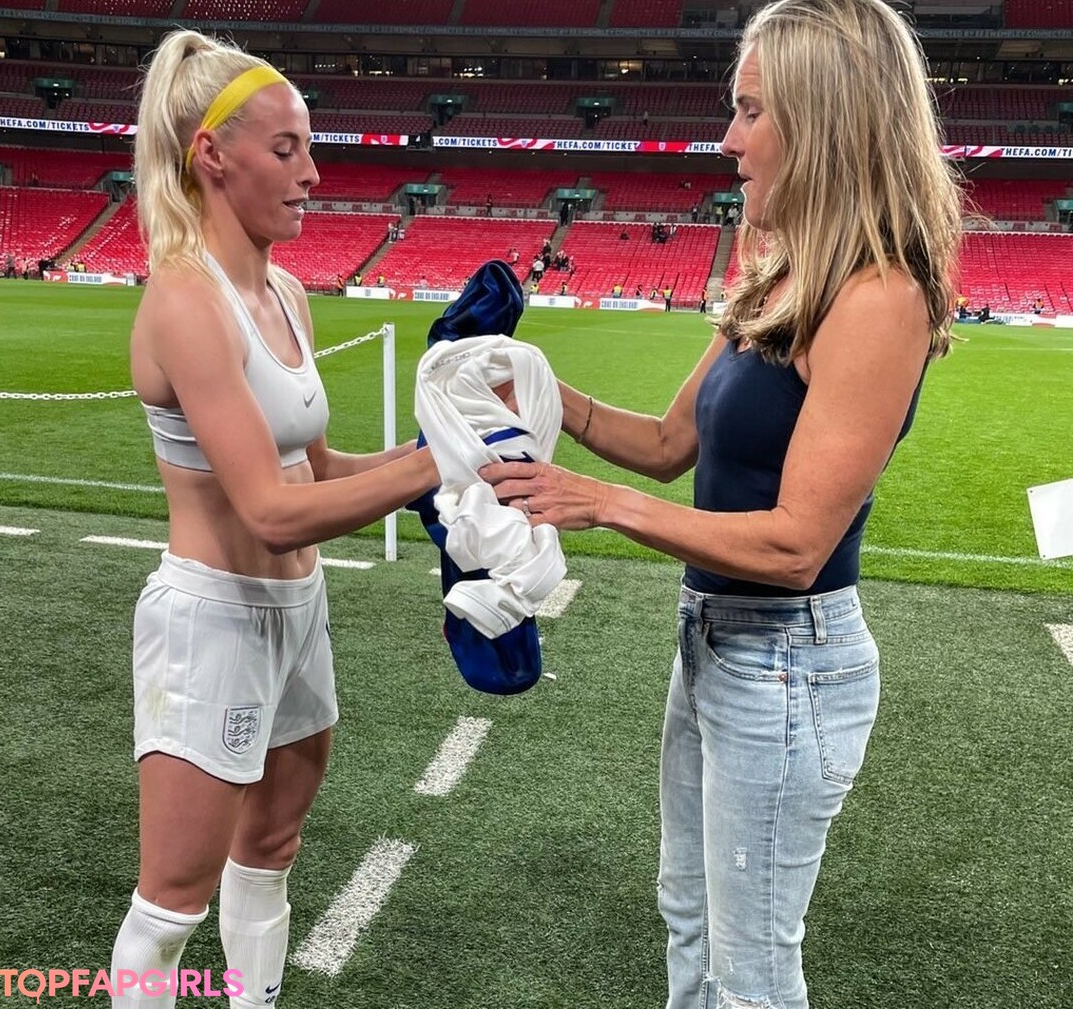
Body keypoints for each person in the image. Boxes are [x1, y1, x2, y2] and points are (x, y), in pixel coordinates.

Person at [480, 2, 962, 1006]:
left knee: (750, 975)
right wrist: (537, 390)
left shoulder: (880, 296)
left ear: (822, 121)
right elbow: (668, 445)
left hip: (789, 662)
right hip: (714, 641)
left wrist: (598, 504)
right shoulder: (784, 273)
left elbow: (794, 546)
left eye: (750, 111)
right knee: (691, 926)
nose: (728, 140)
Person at [114, 30, 440, 1009]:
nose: (313, 174)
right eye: (287, 149)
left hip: (298, 615)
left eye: (310, 148)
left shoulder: (286, 291)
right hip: (211, 622)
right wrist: (437, 466)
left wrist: (445, 446)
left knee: (272, 847)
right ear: (213, 155)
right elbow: (271, 509)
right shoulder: (186, 300)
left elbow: (319, 469)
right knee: (170, 904)